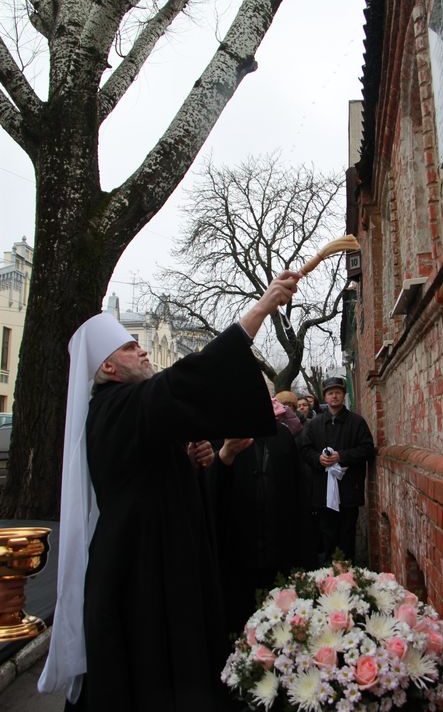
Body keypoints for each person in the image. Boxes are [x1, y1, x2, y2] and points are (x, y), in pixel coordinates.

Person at [38, 271, 302, 712]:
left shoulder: (129, 409)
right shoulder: (118, 405)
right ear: (107, 368)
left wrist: (195, 462)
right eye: (129, 347)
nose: (142, 349)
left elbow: (154, 479)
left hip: (156, 560)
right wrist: (260, 309)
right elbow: (188, 380)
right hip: (140, 574)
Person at [208, 421, 316, 642]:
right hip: (239, 554)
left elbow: (298, 492)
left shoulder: (282, 435)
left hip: (280, 548)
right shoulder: (221, 435)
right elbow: (210, 492)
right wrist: (224, 458)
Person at [298, 376, 375, 564]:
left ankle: (349, 574)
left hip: (349, 489)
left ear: (343, 395)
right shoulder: (314, 424)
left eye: (338, 393)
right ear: (325, 397)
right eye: (330, 393)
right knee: (327, 534)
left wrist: (342, 456)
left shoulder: (357, 422)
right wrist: (319, 459)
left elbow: (367, 448)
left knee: (347, 534)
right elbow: (305, 450)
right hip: (323, 491)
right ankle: (329, 573)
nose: (334, 396)